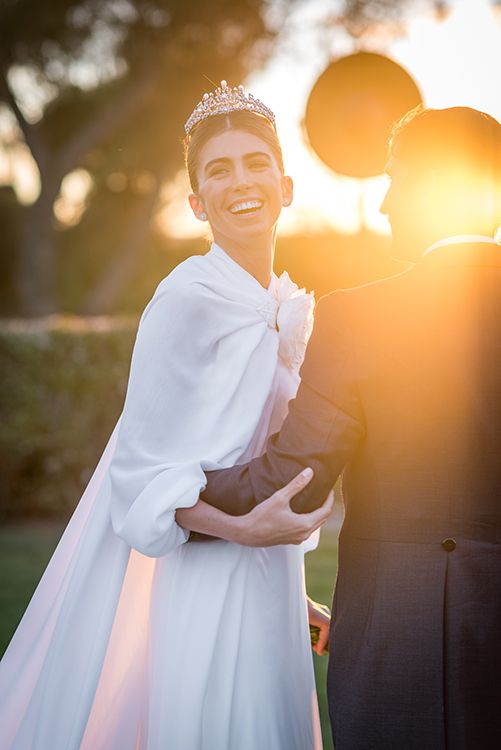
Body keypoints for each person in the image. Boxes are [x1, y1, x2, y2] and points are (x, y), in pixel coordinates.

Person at [0, 81, 333, 750]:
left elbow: (255, 457)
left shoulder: (281, 303)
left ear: (287, 184)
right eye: (218, 169)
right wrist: (243, 533)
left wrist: (289, 597)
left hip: (270, 579)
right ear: (196, 202)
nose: (240, 180)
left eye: (254, 162)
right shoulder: (184, 297)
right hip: (203, 575)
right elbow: (138, 477)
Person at [183, 106, 501, 749]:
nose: (384, 204)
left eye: (396, 179)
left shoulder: (360, 318)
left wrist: (165, 493)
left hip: (403, 641)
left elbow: (292, 482)